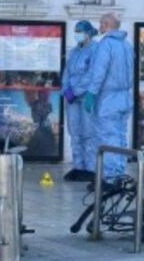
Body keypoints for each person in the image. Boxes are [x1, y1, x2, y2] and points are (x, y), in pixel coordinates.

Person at [83, 13, 134, 190]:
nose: (99, 26)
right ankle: (119, 173)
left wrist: (91, 93)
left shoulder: (106, 45)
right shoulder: (127, 45)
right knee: (120, 136)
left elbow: (99, 72)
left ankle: (110, 178)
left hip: (108, 99)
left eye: (101, 23)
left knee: (108, 137)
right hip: (125, 97)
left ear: (106, 25)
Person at [61, 20, 99, 182]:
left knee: (88, 133)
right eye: (75, 31)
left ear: (88, 32)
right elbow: (67, 73)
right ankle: (78, 166)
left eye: (80, 31)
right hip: (72, 97)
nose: (77, 34)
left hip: (86, 96)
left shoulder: (95, 50)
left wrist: (76, 91)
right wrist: (66, 90)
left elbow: (92, 74)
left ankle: (90, 168)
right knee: (74, 132)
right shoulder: (74, 52)